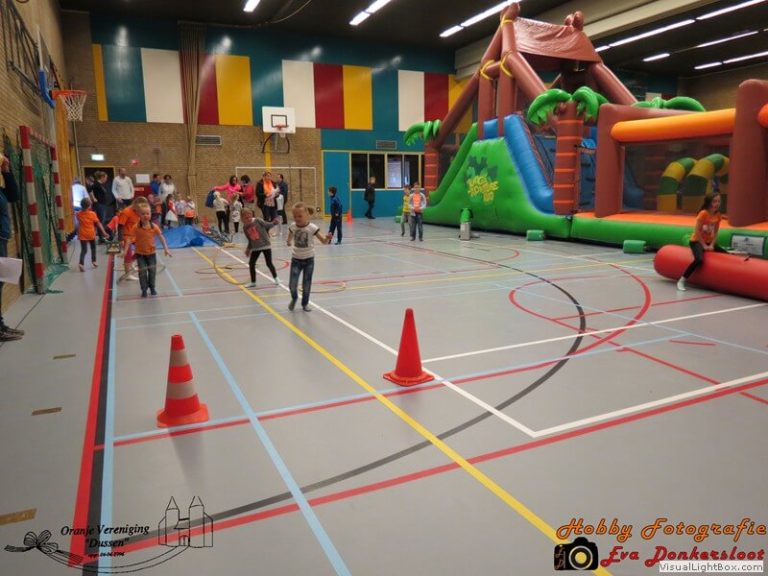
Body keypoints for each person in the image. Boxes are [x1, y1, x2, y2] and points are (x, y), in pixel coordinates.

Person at [286, 202, 332, 311]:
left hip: (309, 260)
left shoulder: (312, 227)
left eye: (300, 216)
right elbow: (290, 236)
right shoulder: (292, 226)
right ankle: (294, 298)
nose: (297, 218)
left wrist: (327, 238)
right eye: (295, 216)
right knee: (292, 284)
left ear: (306, 215)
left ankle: (305, 303)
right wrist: (288, 241)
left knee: (306, 284)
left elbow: (323, 241)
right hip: (296, 260)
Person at [677, 193, 726, 291]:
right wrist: (704, 245)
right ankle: (682, 280)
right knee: (699, 259)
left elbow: (716, 232)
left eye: (718, 201)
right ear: (709, 202)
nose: (717, 203)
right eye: (714, 201)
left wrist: (712, 244)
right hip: (696, 241)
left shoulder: (718, 215)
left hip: (709, 242)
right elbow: (697, 231)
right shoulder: (703, 213)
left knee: (726, 255)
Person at [0, 152, 23, 341]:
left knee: (1, 281)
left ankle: (1, 325)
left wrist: (6, 171)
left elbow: (14, 195)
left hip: (2, 238)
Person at [133, 203, 171, 297]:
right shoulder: (136, 227)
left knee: (152, 271)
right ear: (139, 215)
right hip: (140, 254)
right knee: (142, 272)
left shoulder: (154, 226)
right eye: (143, 214)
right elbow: (129, 239)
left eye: (147, 213)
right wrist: (125, 251)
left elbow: (161, 237)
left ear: (150, 214)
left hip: (151, 253)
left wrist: (166, 249)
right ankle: (144, 289)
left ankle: (152, 287)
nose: (145, 216)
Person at [242, 208, 279, 288]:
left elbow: (267, 225)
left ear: (252, 215)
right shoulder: (245, 227)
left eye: (249, 216)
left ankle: (276, 278)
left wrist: (273, 223)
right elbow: (250, 240)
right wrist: (248, 249)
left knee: (269, 263)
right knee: (251, 264)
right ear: (242, 218)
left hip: (265, 245)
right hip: (256, 248)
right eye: (246, 217)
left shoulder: (258, 220)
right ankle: (253, 282)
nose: (248, 218)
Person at [76, 197, 108, 272]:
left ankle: (81, 263)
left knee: (84, 250)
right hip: (90, 234)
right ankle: (94, 261)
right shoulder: (92, 214)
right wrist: (104, 232)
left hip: (82, 234)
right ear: (89, 206)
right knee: (93, 248)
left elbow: (78, 221)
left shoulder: (78, 214)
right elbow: (99, 224)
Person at [91, 171, 115, 242]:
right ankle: (101, 237)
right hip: (99, 205)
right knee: (100, 221)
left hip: (103, 205)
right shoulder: (96, 184)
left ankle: (101, 237)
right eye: (105, 178)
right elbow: (89, 190)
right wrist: (93, 198)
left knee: (102, 221)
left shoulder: (100, 184)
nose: (106, 179)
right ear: (102, 177)